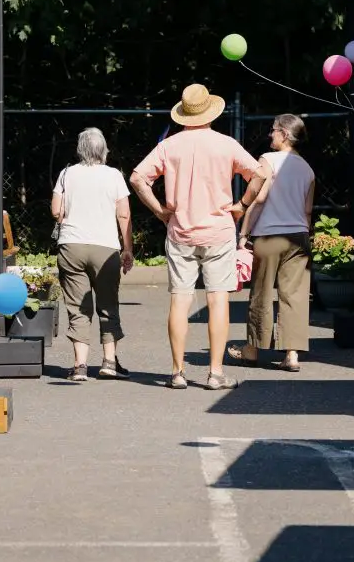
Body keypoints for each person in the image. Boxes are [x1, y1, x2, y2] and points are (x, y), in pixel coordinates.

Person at [130, 83, 269, 390]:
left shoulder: (169, 146)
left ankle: (177, 372)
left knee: (180, 299)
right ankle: (215, 373)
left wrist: (159, 211)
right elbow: (260, 174)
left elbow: (138, 178)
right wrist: (241, 206)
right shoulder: (225, 143)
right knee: (218, 299)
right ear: (210, 112)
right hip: (218, 232)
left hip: (180, 231)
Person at [229, 114, 315, 372]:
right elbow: (308, 211)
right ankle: (291, 354)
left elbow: (260, 196)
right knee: (295, 296)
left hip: (269, 235)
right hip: (299, 236)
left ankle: (253, 350)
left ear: (285, 134)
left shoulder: (268, 160)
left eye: (274, 130)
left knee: (261, 292)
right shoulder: (308, 169)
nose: (270, 135)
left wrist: (243, 232)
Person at [51, 127, 134, 382]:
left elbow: (56, 211)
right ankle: (109, 362)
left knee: (77, 307)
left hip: (72, 246)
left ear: (80, 150)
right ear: (103, 150)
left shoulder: (67, 173)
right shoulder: (114, 176)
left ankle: (80, 366)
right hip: (105, 247)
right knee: (108, 304)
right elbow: (124, 214)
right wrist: (128, 248)